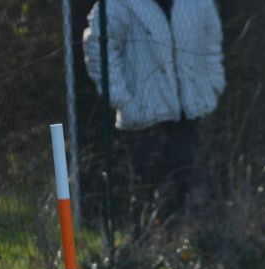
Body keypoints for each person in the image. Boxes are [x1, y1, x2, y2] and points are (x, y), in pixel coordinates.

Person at [84, 0, 225, 213]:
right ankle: (146, 240)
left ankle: (183, 240)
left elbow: (211, 41)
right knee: (148, 189)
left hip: (191, 110)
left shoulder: (198, 3)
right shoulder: (117, 4)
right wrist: (120, 96)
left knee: (186, 181)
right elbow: (99, 48)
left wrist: (213, 84)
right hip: (143, 116)